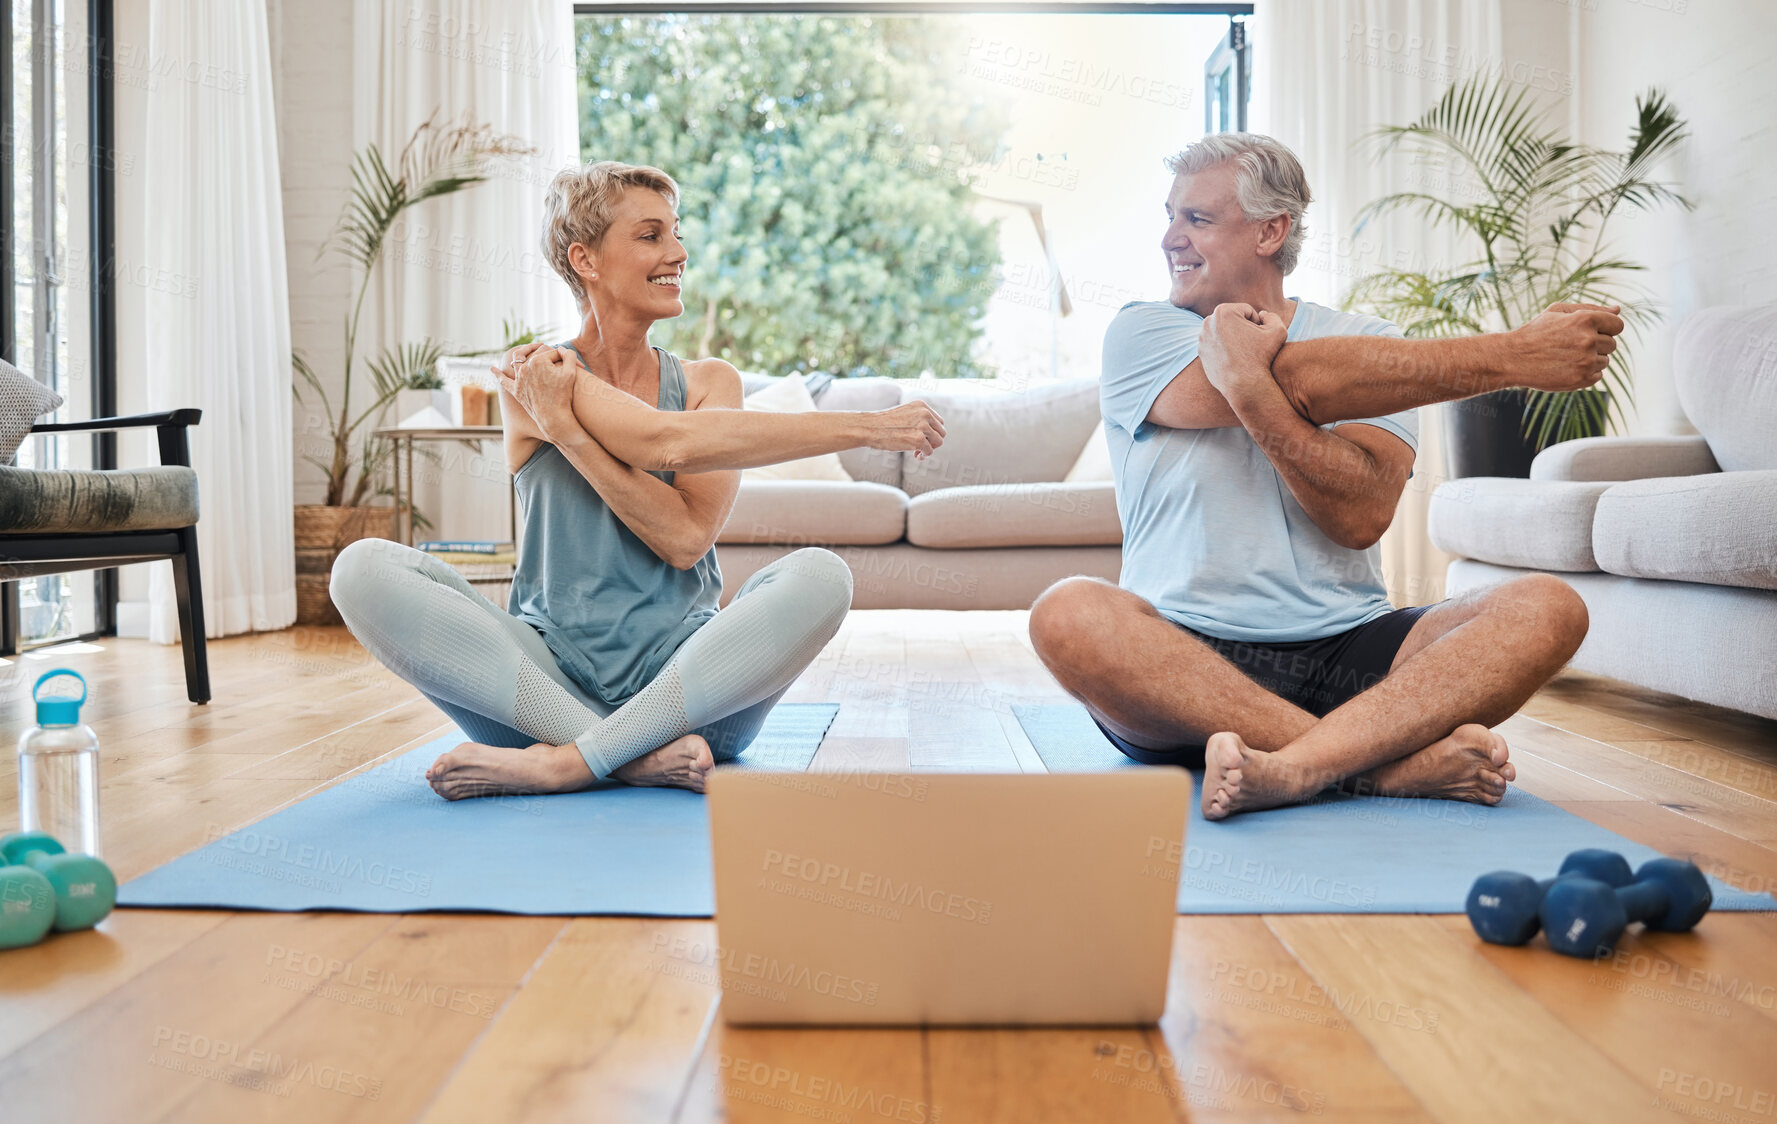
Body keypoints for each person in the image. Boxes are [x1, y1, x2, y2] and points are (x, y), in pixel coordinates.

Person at [1027, 133, 1622, 819]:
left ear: (1270, 229)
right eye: (1170, 215)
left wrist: (1250, 390)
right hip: (1180, 663)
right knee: (1068, 612)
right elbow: (1304, 379)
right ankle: (1380, 770)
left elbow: (1357, 519)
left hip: (1355, 655)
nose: (1170, 238)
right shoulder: (1143, 333)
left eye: (1196, 219)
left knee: (1550, 607)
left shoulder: (1373, 342)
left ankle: (1297, 765)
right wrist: (1512, 354)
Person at [330, 161, 945, 798]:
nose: (677, 252)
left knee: (821, 576)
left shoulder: (709, 382)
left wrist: (568, 433)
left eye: (676, 234)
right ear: (586, 260)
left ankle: (569, 762)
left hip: (693, 687)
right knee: (361, 568)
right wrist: (870, 425)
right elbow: (660, 438)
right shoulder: (532, 375)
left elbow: (682, 534)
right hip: (545, 686)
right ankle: (625, 757)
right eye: (651, 235)